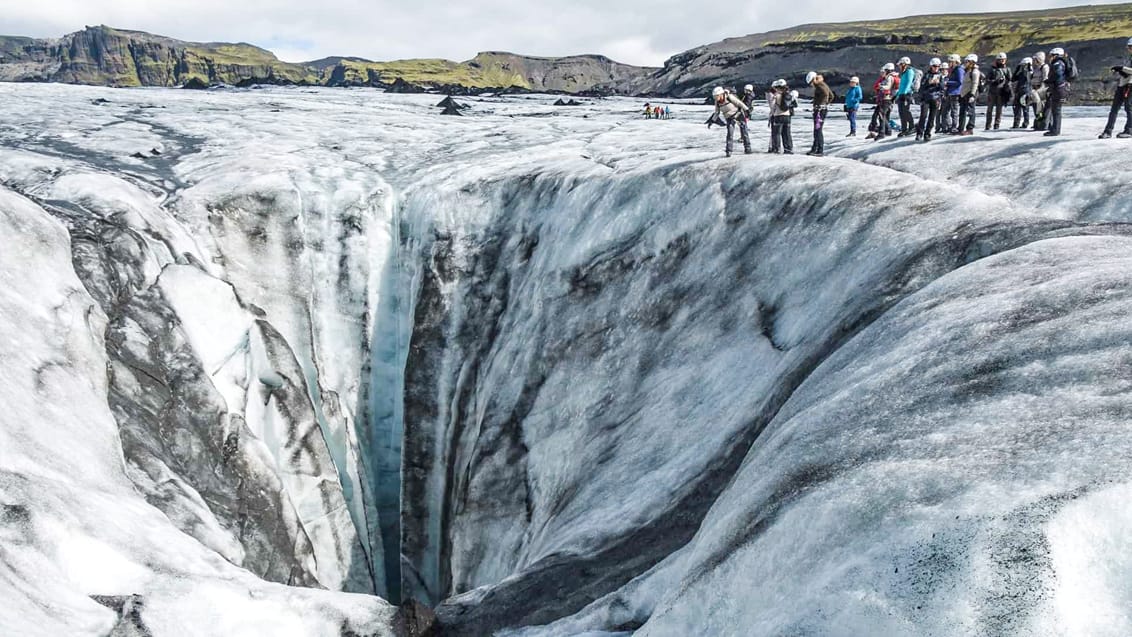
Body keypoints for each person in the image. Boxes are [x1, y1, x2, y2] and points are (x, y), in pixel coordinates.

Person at [1099, 37, 1132, 138]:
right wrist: (1121, 71)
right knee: (1114, 109)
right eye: (1129, 47)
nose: (1129, 49)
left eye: (1130, 47)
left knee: (1129, 109)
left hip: (1130, 86)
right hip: (1122, 85)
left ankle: (1129, 131)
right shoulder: (1129, 57)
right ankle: (1107, 131)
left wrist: (1121, 68)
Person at [709, 86, 751, 156]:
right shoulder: (717, 102)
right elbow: (717, 112)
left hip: (738, 115)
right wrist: (712, 121)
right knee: (729, 135)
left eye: (716, 96)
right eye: (714, 97)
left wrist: (747, 110)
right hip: (729, 118)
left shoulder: (729, 97)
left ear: (721, 94)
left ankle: (748, 149)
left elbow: (739, 103)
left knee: (744, 133)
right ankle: (729, 151)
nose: (715, 98)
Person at [916, 58, 945, 141]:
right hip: (926, 98)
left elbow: (942, 88)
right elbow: (921, 87)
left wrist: (938, 84)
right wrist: (929, 83)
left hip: (935, 99)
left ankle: (927, 134)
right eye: (934, 66)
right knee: (923, 116)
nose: (936, 68)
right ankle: (919, 133)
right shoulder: (926, 75)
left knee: (932, 118)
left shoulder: (940, 76)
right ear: (931, 66)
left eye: (938, 66)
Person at [1044, 48, 1070, 136]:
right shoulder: (1060, 63)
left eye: (1051, 55)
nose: (1049, 58)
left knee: (1056, 110)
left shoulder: (1058, 63)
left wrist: (1049, 81)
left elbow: (1057, 75)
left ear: (1055, 55)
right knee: (1055, 109)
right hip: (1061, 88)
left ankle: (1055, 130)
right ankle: (1054, 128)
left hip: (1059, 89)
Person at [807, 71, 833, 155]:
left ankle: (820, 150)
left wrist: (821, 105)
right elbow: (831, 96)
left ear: (814, 79)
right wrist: (826, 104)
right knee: (817, 130)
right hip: (821, 110)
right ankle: (814, 148)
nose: (811, 85)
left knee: (818, 130)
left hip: (820, 111)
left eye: (811, 82)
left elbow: (826, 94)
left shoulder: (820, 85)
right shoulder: (822, 84)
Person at [767, 79, 795, 154]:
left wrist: (772, 113)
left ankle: (777, 149)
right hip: (787, 116)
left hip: (778, 116)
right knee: (787, 133)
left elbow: (772, 107)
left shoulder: (776, 95)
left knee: (777, 133)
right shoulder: (789, 94)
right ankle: (788, 149)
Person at [872, 63, 897, 140]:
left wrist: (881, 87)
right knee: (882, 115)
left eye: (885, 70)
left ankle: (882, 133)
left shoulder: (889, 77)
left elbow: (888, 86)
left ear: (887, 70)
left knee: (882, 115)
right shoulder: (891, 77)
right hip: (887, 99)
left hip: (886, 99)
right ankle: (887, 131)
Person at [986, 52, 1011, 130]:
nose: (1002, 61)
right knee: (989, 109)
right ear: (997, 60)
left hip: (1001, 92)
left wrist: (1007, 86)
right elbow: (987, 80)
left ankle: (997, 124)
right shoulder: (992, 69)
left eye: (1003, 60)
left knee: (999, 110)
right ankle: (988, 125)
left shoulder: (1007, 69)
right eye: (1000, 60)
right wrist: (994, 81)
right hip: (992, 92)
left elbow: (1010, 80)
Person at [958, 54, 981, 135]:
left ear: (972, 62)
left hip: (970, 93)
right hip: (964, 94)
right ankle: (960, 128)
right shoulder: (967, 71)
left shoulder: (975, 72)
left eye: (967, 61)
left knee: (971, 111)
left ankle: (970, 129)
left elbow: (975, 83)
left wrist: (972, 95)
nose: (965, 63)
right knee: (962, 111)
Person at [895, 57, 917, 136]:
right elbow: (901, 85)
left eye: (900, 65)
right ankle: (904, 129)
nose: (899, 66)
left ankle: (912, 127)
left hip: (906, 94)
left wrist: (904, 93)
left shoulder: (909, 71)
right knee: (901, 112)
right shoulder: (904, 73)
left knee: (906, 111)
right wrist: (897, 95)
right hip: (901, 94)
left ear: (904, 64)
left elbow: (908, 83)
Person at [945, 54, 965, 133]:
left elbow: (960, 82)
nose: (949, 63)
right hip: (950, 92)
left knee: (954, 111)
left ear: (955, 62)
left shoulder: (959, 70)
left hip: (955, 93)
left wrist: (948, 82)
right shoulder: (953, 70)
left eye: (950, 61)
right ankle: (950, 126)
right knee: (946, 111)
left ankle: (954, 127)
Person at [1011, 57, 1033, 129]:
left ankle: (1025, 123)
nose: (1023, 67)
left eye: (1024, 65)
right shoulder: (1021, 73)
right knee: (1016, 108)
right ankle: (1016, 123)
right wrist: (1017, 69)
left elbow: (1029, 78)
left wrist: (1029, 67)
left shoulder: (1030, 73)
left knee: (1025, 109)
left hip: (1026, 92)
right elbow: (1013, 79)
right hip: (1019, 91)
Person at [1030, 51, 1050, 130]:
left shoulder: (1044, 67)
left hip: (1041, 90)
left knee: (1040, 107)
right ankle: (1038, 122)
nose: (1034, 61)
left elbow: (1045, 79)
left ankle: (1042, 124)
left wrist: (1041, 89)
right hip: (1034, 89)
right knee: (1036, 108)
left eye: (1035, 59)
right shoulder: (1036, 68)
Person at [936, 62, 950, 133]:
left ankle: (946, 127)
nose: (943, 71)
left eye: (945, 69)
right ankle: (937, 128)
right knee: (937, 113)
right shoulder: (938, 77)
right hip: (938, 97)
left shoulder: (949, 77)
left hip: (946, 97)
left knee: (945, 113)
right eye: (942, 69)